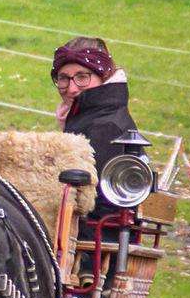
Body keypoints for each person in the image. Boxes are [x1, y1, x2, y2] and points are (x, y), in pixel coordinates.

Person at [51, 36, 138, 211]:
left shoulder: (105, 127)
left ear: (104, 76)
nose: (72, 88)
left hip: (95, 233)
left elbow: (94, 202)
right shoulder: (85, 115)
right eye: (63, 78)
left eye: (82, 77)